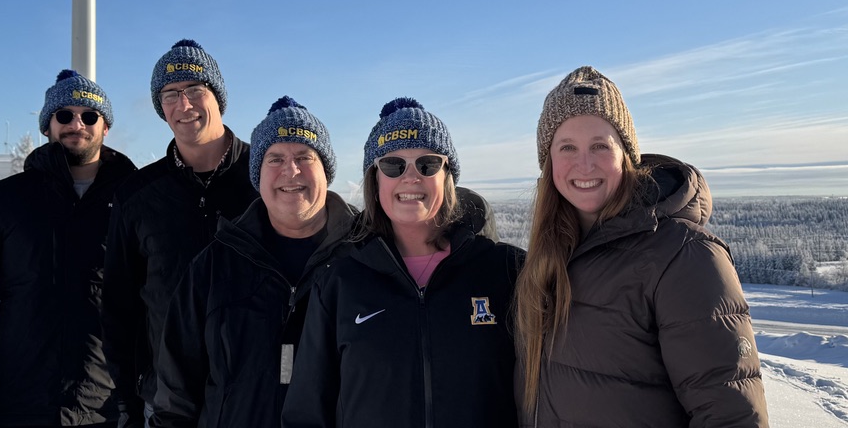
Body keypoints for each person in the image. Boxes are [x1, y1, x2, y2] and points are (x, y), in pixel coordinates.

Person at [515, 66, 769, 427]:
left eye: (600, 146)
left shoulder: (684, 256)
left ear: (627, 155)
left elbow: (731, 415)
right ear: (549, 160)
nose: (584, 164)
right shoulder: (550, 258)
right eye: (567, 146)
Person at [282, 98, 525, 428]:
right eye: (394, 165)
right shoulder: (339, 284)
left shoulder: (506, 271)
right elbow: (306, 412)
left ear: (446, 176)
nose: (411, 177)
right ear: (375, 179)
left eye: (427, 164)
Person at [0, 69, 138, 428]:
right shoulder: (4, 200)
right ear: (47, 126)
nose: (76, 124)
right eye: (64, 115)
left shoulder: (136, 199)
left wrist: (147, 391)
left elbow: (157, 300)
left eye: (89, 115)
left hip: (110, 403)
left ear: (105, 127)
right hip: (22, 400)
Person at [151, 96, 358, 428]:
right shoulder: (214, 266)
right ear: (257, 175)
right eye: (274, 159)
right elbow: (177, 395)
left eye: (305, 156)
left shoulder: (368, 259)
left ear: (326, 170)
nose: (290, 171)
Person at [103, 39, 259, 425]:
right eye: (170, 94)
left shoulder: (266, 177)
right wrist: (126, 396)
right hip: (170, 400)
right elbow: (119, 304)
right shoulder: (138, 194)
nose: (184, 105)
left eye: (195, 90)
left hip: (256, 390)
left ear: (217, 97)